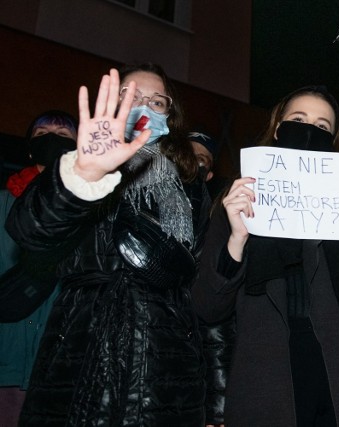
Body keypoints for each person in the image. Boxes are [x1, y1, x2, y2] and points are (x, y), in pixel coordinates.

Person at [6, 64, 231, 426]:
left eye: (157, 101)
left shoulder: (192, 188)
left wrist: (218, 400)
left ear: (169, 117)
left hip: (169, 372)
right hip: (78, 357)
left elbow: (205, 299)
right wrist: (83, 175)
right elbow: (29, 230)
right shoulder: (81, 164)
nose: (144, 106)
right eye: (132, 96)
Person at [191, 86, 339, 426]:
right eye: (298, 119)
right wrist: (237, 240)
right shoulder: (240, 198)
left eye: (322, 126)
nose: (309, 129)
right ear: (277, 127)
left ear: (333, 140)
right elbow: (208, 306)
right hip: (271, 375)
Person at [0, 110, 77, 427]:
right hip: (6, 358)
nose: (53, 139)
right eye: (43, 133)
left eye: (63, 134)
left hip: (61, 365)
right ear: (30, 148)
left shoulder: (94, 209)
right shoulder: (3, 204)